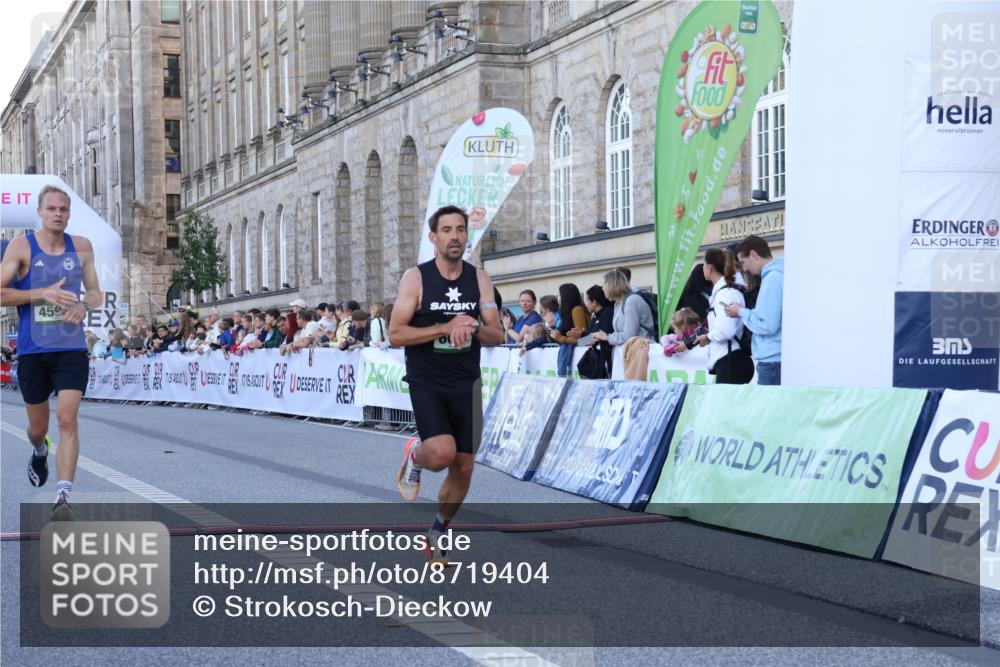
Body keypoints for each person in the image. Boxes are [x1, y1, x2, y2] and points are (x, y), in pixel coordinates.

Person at [391, 205, 503, 565]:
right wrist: (444, 326)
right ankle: (415, 455)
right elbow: (396, 334)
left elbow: (497, 334)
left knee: (465, 465)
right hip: (428, 379)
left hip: (466, 382)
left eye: (460, 229)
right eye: (447, 230)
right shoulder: (416, 278)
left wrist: (470, 327)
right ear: (434, 237)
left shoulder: (479, 279)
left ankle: (438, 531)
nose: (455, 236)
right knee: (440, 454)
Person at [0, 185, 103, 520]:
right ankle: (39, 449)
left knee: (67, 419)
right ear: (40, 213)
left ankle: (63, 496)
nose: (58, 214)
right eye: (52, 209)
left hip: (71, 347)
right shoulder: (21, 247)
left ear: (68, 213)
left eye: (64, 209)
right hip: (33, 351)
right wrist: (41, 292)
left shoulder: (82, 247)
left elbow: (95, 293)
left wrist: (84, 307)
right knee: (38, 427)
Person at [724, 235, 783, 385]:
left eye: (743, 262)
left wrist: (741, 312)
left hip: (772, 360)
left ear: (754, 255)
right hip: (775, 358)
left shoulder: (772, 278)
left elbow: (767, 324)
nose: (744, 268)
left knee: (771, 408)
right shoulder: (777, 275)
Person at [687, 249, 751, 383]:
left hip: (731, 362)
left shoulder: (724, 294)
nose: (702, 267)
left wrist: (707, 337)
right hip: (731, 361)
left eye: (703, 264)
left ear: (709, 268)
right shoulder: (727, 291)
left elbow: (726, 331)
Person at [592, 269, 655, 347]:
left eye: (605, 284)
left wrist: (607, 337)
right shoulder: (618, 303)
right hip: (632, 350)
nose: (602, 288)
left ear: (613, 284)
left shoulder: (631, 301)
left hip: (642, 350)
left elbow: (629, 336)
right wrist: (605, 337)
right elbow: (621, 334)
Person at [549, 283, 589, 376]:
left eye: (561, 295)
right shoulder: (568, 313)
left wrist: (561, 338)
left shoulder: (577, 310)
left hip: (579, 353)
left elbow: (584, 340)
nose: (560, 299)